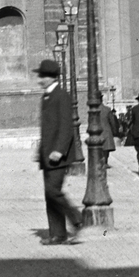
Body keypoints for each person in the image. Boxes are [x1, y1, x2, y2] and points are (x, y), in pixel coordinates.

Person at [37, 58, 85, 244]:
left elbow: (66, 127)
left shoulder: (61, 96)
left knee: (53, 191)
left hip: (58, 156)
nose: (40, 80)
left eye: (42, 76)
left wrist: (59, 150)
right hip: (47, 155)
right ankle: (57, 234)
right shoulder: (46, 97)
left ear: (50, 77)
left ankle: (76, 218)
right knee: (49, 195)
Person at [94, 94, 118, 170]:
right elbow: (112, 121)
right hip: (107, 130)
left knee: (99, 148)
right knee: (106, 148)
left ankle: (100, 162)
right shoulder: (107, 109)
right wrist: (114, 130)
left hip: (97, 131)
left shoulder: (93, 110)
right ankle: (105, 162)